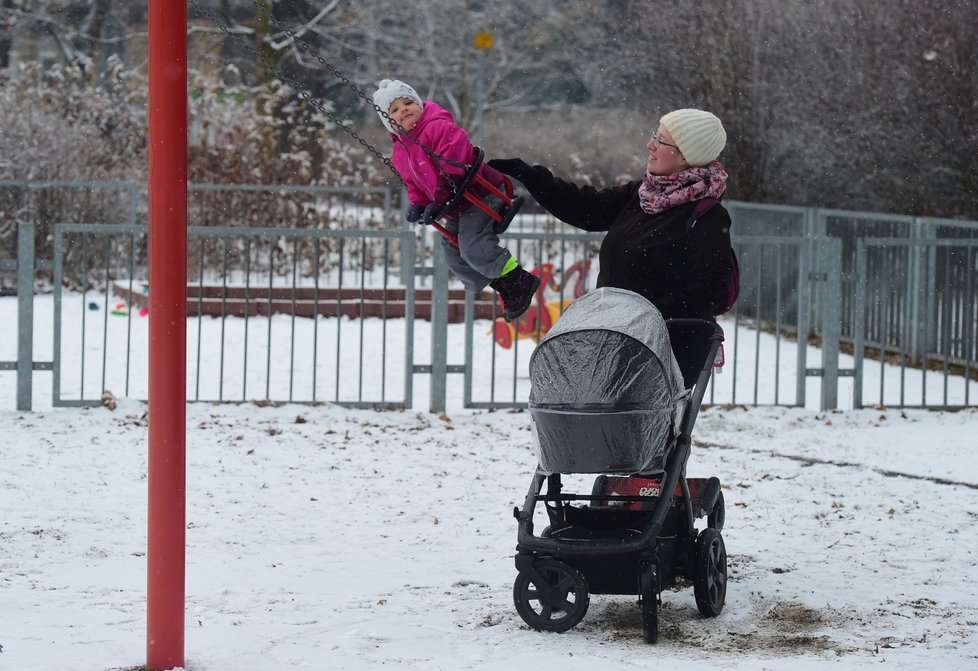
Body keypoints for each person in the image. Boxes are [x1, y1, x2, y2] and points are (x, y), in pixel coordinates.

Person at [488, 108, 734, 386]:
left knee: (630, 429)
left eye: (662, 141)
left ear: (687, 156)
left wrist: (644, 314)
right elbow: (587, 208)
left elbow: (712, 289)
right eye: (655, 135)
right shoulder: (644, 194)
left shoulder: (706, 216)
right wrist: (533, 178)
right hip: (616, 341)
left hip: (664, 356)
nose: (650, 144)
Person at [372, 79, 540, 321]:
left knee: (472, 245)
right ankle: (504, 284)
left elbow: (454, 166)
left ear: (419, 104)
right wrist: (418, 204)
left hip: (480, 193)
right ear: (390, 122)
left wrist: (438, 199)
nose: (404, 110)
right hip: (456, 204)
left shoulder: (437, 127)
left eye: (408, 102)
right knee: (453, 254)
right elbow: (413, 182)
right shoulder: (401, 151)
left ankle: (519, 279)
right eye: (395, 110)